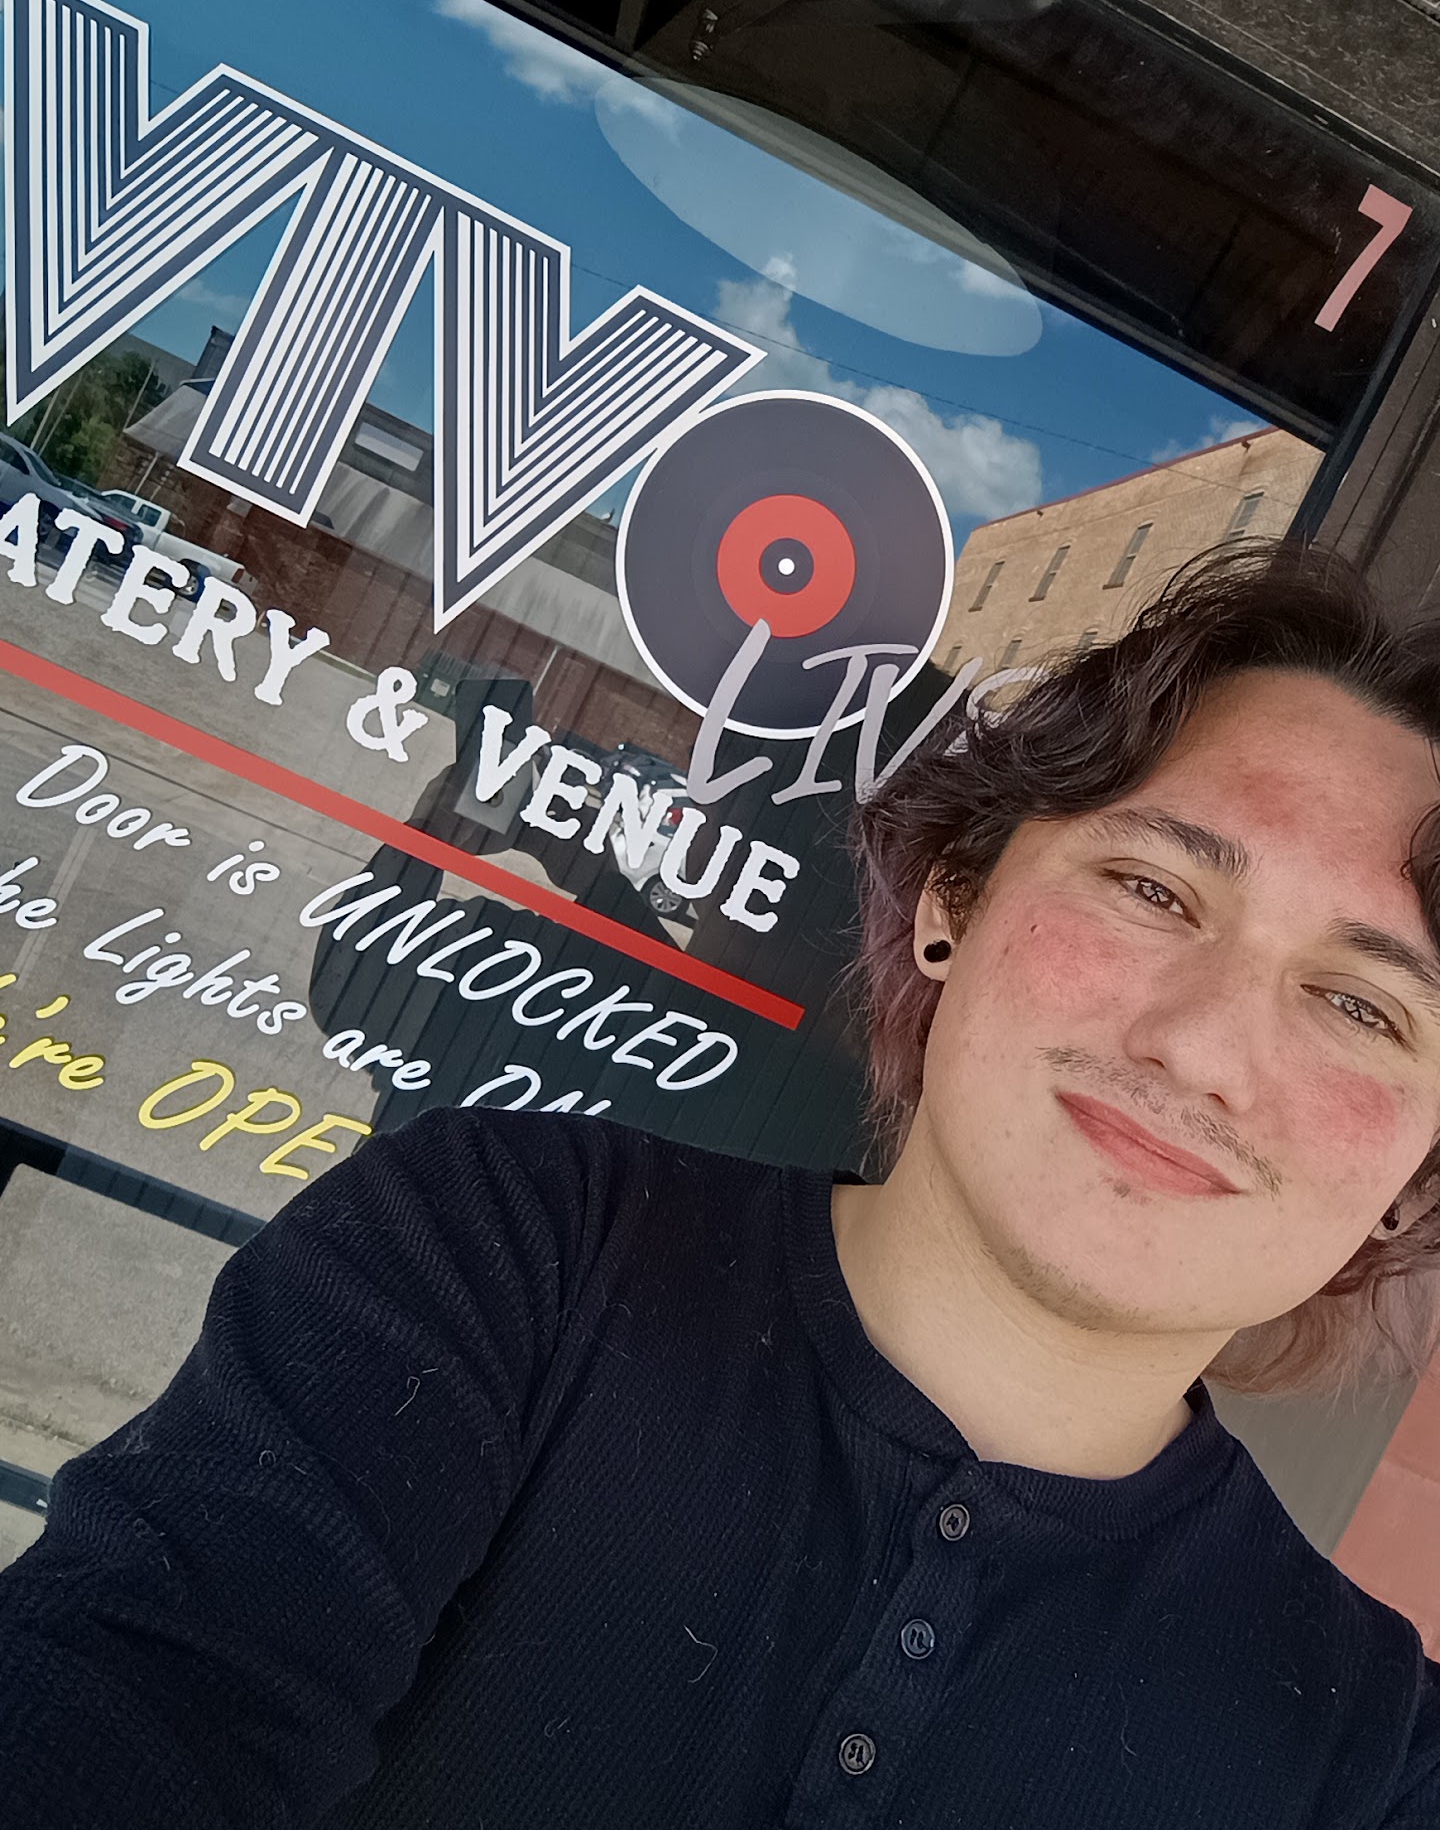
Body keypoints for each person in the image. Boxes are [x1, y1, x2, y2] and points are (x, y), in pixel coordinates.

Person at [2, 542, 1440, 1827]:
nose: (1203, 1050)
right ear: (954, 897)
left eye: (1363, 1006)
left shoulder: (1371, 1757)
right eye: (1153, 890)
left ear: (1416, 1173)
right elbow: (137, 1687)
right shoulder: (501, 1252)